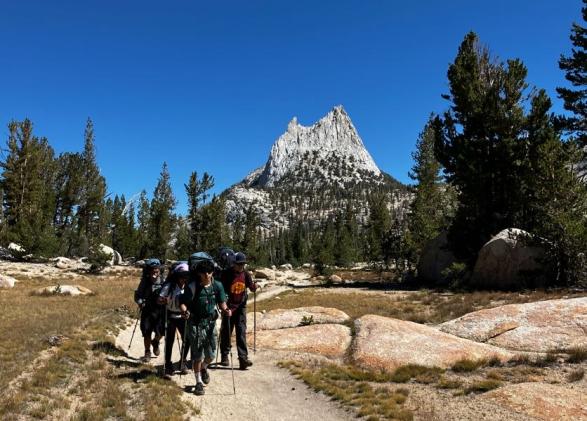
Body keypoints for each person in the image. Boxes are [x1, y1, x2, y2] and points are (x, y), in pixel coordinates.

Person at [179, 257, 231, 396]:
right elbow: (182, 302)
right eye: (204, 273)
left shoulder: (217, 286)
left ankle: (204, 368)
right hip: (195, 323)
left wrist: (226, 310)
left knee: (211, 355)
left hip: (210, 323)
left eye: (209, 272)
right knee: (197, 355)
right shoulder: (193, 286)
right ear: (199, 273)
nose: (207, 275)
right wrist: (184, 311)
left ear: (212, 272)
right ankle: (198, 383)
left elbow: (222, 302)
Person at [219, 252, 258, 370]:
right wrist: (224, 306)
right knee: (226, 332)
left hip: (241, 307)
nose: (241, 266)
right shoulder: (227, 274)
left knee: (241, 332)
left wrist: (255, 287)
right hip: (229, 307)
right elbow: (221, 290)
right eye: (239, 264)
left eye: (243, 264)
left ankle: (243, 359)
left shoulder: (245, 274)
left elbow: (251, 287)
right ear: (234, 263)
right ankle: (224, 356)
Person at [158, 262, 190, 376]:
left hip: (182, 316)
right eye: (182, 276)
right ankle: (168, 364)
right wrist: (164, 300)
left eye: (186, 276)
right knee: (169, 341)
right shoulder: (169, 286)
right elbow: (159, 300)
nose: (183, 278)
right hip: (170, 316)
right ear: (177, 275)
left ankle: (183, 361)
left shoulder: (188, 287)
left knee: (187, 339)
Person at [134, 258, 165, 362]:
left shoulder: (164, 281)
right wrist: (140, 302)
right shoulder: (145, 282)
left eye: (157, 270)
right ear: (148, 271)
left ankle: (155, 342)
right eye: (153, 270)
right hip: (147, 310)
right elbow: (137, 295)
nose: (155, 272)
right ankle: (147, 352)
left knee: (160, 332)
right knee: (147, 332)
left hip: (160, 310)